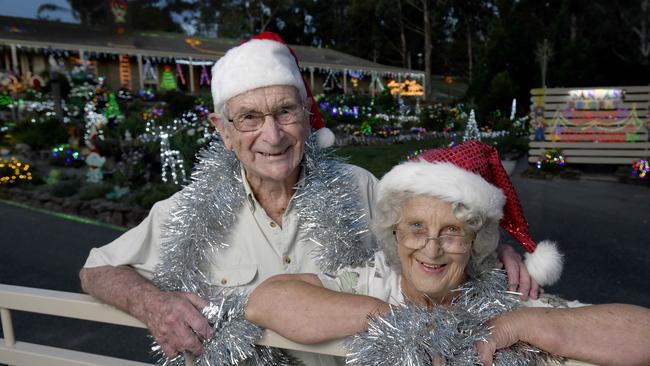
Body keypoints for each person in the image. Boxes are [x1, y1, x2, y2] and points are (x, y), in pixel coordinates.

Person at [78, 33, 535, 364]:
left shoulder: (360, 187)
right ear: (223, 131)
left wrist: (492, 248)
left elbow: (429, 235)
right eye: (250, 118)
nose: (272, 135)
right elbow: (97, 269)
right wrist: (154, 305)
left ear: (305, 113)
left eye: (285, 111)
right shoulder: (184, 210)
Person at [245, 141, 650, 366]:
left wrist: (520, 326)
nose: (432, 248)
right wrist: (395, 320)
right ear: (394, 230)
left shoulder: (504, 292)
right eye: (416, 227)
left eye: (452, 231)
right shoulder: (370, 281)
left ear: (476, 241)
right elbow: (267, 300)